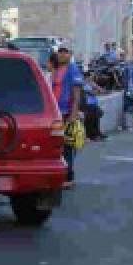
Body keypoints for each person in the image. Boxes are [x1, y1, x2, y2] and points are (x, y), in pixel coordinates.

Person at [49, 47, 83, 187]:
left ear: (70, 55)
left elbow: (76, 94)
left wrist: (73, 114)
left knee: (67, 145)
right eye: (60, 52)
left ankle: (68, 176)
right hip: (55, 112)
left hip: (66, 112)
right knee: (57, 144)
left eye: (66, 52)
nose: (62, 55)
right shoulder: (56, 69)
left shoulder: (72, 69)